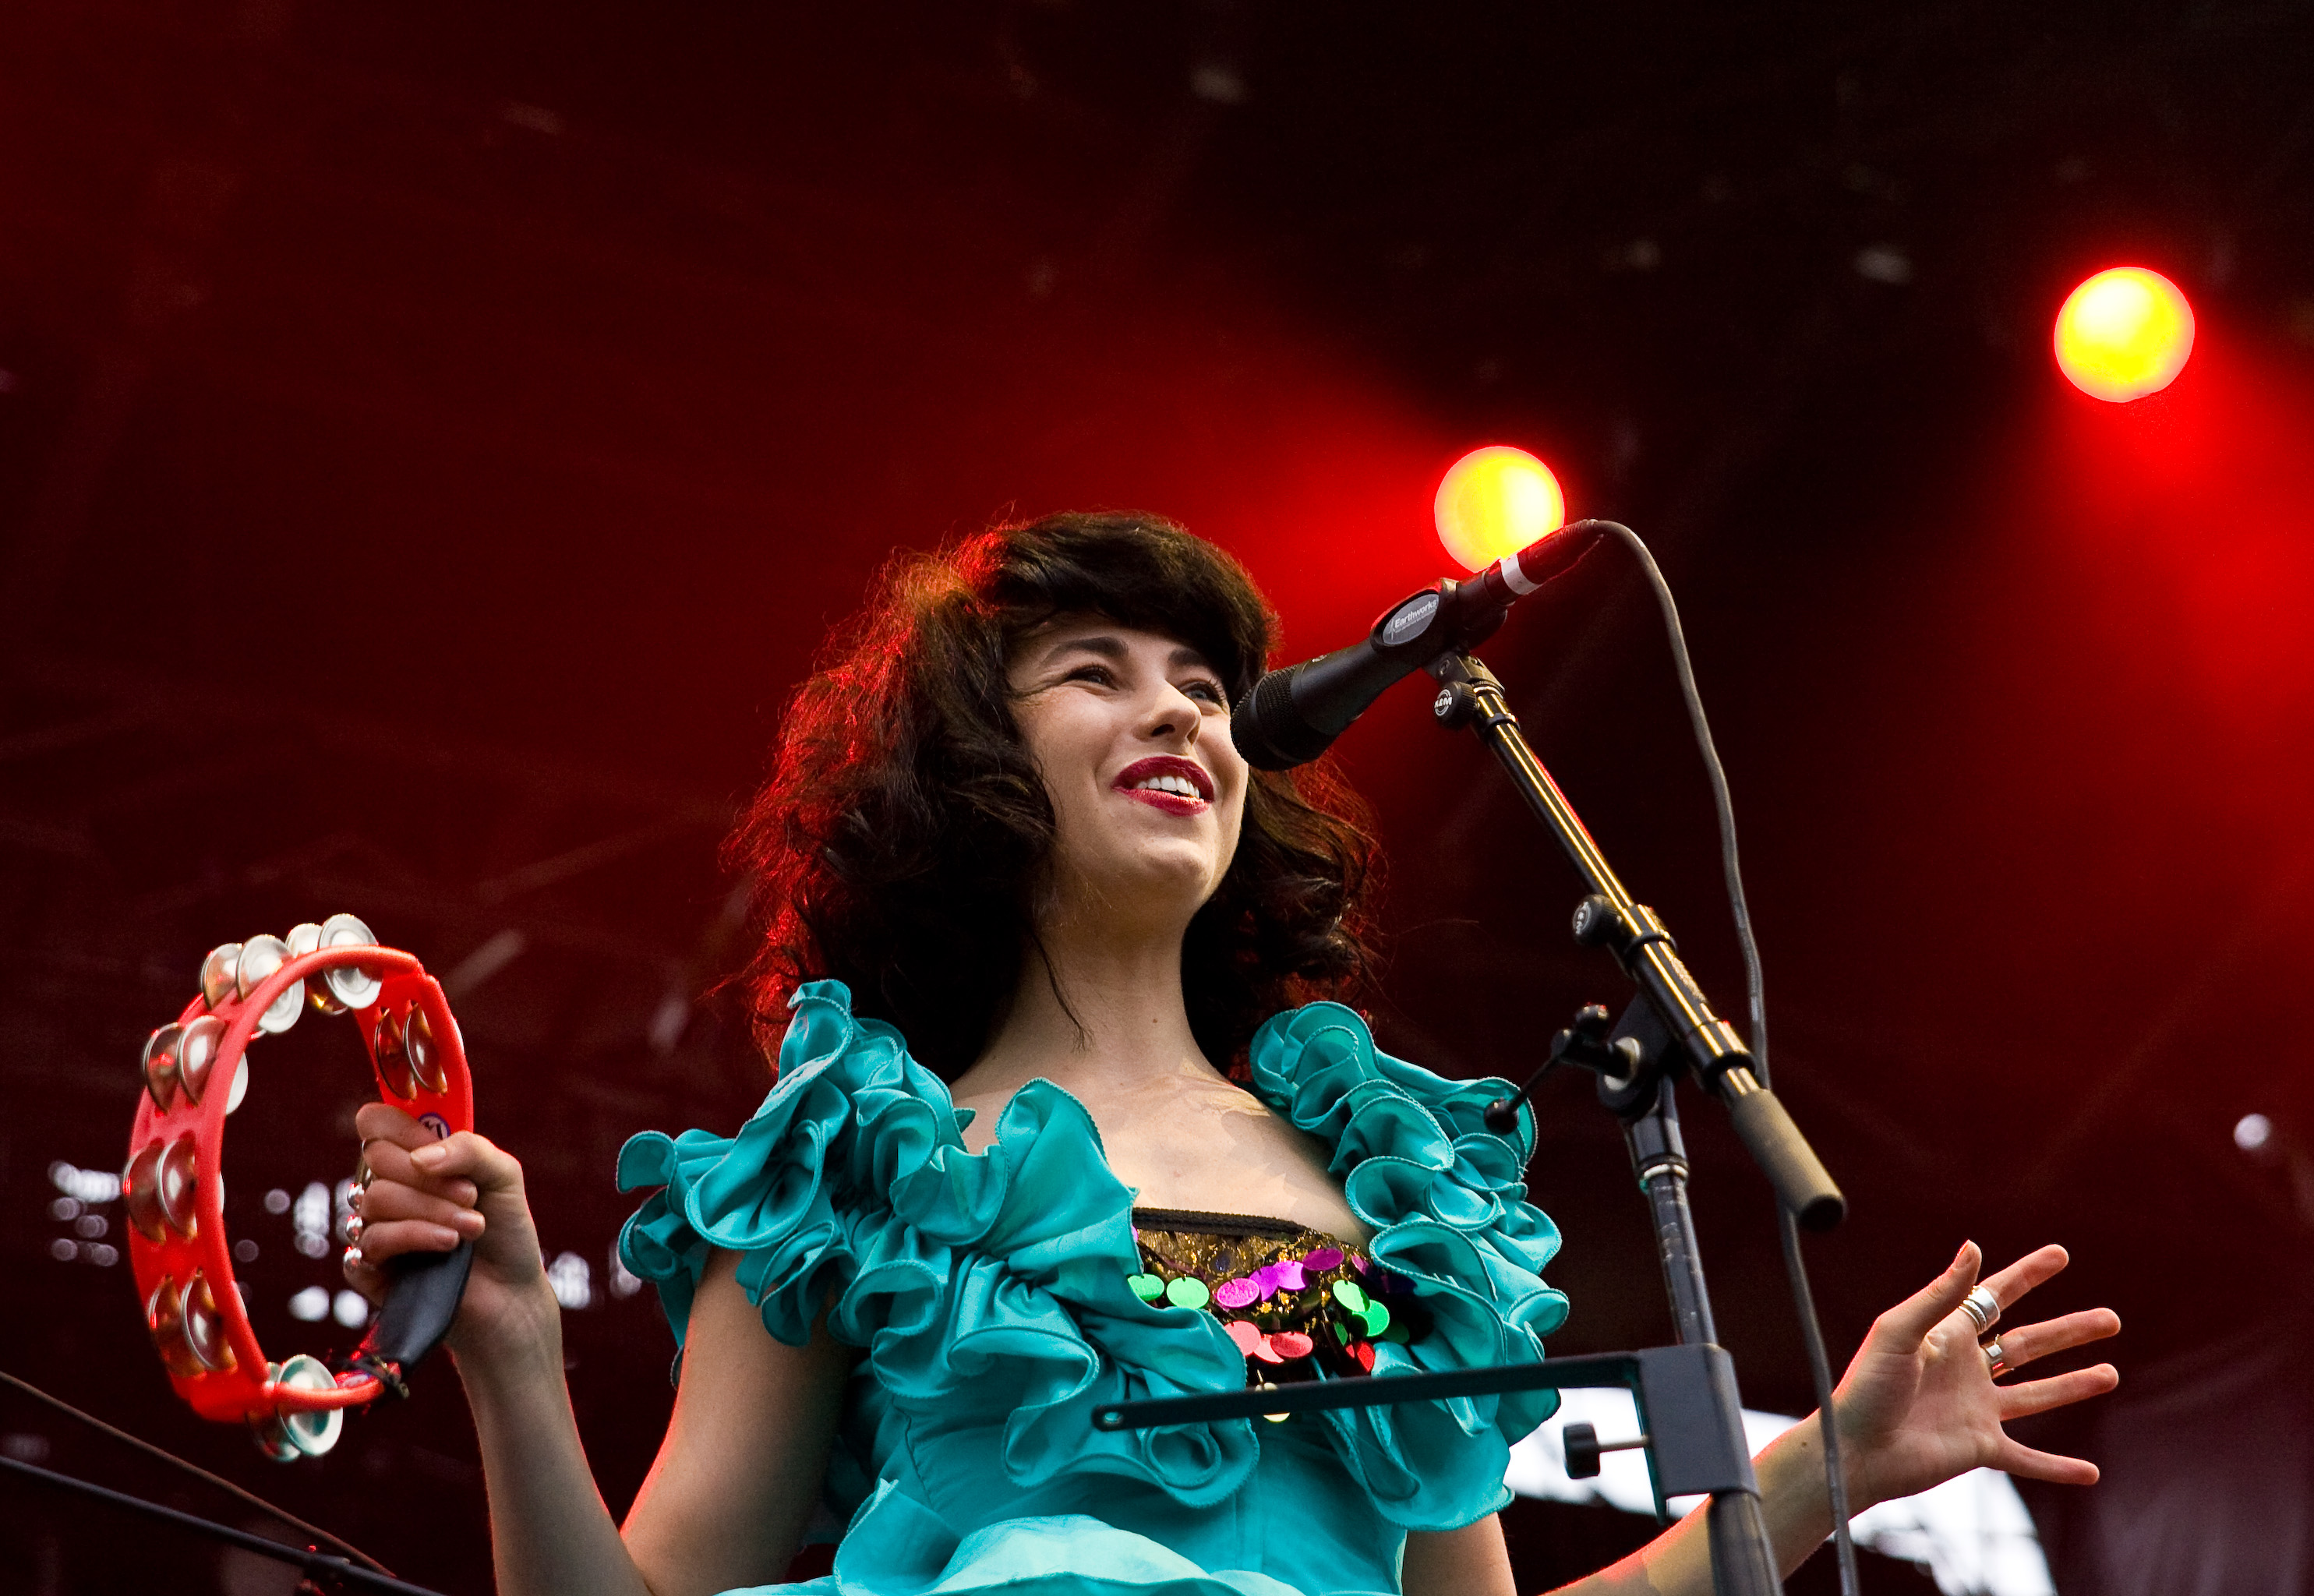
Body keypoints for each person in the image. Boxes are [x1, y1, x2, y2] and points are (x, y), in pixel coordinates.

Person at [344, 513, 2120, 1596]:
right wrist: (510, 1359)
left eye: (1202, 680)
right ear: (972, 767)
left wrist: (1829, 1465)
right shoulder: (867, 1163)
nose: (1179, 706)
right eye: (1095, 672)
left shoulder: (1365, 1196)